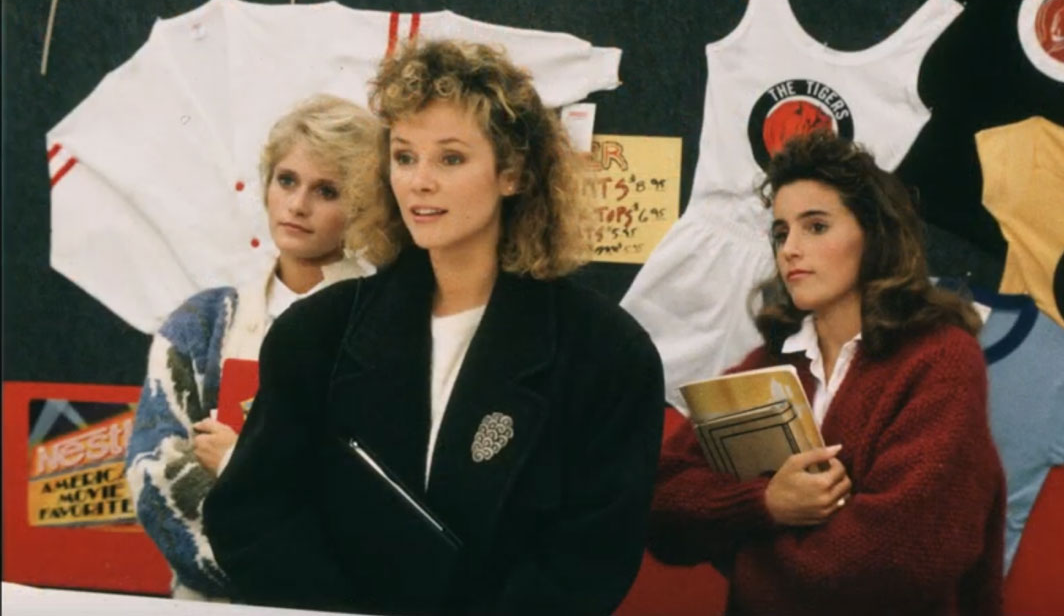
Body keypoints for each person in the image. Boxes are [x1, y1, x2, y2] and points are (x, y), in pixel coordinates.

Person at [203, 39, 665, 616]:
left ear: (513, 172)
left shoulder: (608, 353)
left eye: (450, 159)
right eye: (404, 157)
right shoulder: (315, 333)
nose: (419, 181)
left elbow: (591, 557)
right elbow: (252, 514)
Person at [647, 131, 1006, 616]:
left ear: (874, 235)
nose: (790, 249)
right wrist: (766, 504)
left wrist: (745, 554)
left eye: (815, 226)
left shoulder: (940, 360)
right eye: (781, 232)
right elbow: (661, 507)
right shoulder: (768, 365)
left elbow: (899, 561)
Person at [125, 93, 394, 600]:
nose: (298, 205)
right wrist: (265, 567)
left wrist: (238, 462)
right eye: (287, 180)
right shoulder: (201, 324)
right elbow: (154, 472)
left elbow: (370, 498)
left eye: (327, 190)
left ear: (363, 205)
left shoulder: (387, 328)